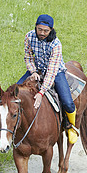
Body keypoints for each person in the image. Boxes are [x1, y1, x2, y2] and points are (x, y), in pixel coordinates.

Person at [17, 14, 78, 144]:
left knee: (67, 102)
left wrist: (41, 92)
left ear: (51, 29)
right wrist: (33, 71)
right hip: (37, 69)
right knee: (15, 91)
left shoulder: (56, 44)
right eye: (39, 29)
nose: (42, 33)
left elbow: (51, 70)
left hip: (55, 71)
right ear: (36, 27)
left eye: (46, 30)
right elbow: (28, 57)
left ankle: (71, 127)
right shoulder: (29, 37)